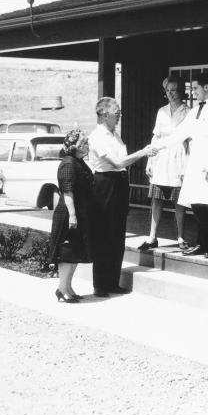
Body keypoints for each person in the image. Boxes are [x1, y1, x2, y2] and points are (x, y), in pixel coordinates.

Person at [150, 73, 208, 258]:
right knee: (197, 204)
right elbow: (180, 133)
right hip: (195, 162)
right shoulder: (195, 111)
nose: (193, 92)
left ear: (206, 88)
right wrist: (157, 147)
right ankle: (203, 243)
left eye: (195, 88)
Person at [87, 96, 153, 297]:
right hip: (105, 184)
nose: (120, 116)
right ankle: (100, 284)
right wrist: (143, 152)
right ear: (105, 114)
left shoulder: (115, 135)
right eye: (117, 113)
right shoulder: (98, 136)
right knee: (104, 234)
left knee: (117, 234)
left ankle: (112, 281)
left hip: (119, 184)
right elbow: (118, 162)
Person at [138, 76, 189, 252]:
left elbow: (190, 141)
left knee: (179, 201)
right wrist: (150, 160)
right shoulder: (162, 111)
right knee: (156, 200)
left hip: (179, 158)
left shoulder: (188, 112)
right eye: (168, 90)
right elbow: (156, 136)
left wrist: (187, 165)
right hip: (161, 158)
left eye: (174, 90)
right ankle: (152, 237)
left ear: (181, 91)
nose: (171, 94)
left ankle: (181, 237)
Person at [46, 129, 94, 303]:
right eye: (85, 142)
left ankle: (68, 287)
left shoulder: (79, 162)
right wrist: (73, 216)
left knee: (75, 252)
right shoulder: (68, 163)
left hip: (79, 212)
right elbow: (67, 191)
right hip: (68, 213)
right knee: (67, 252)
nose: (88, 145)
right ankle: (61, 288)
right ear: (77, 146)